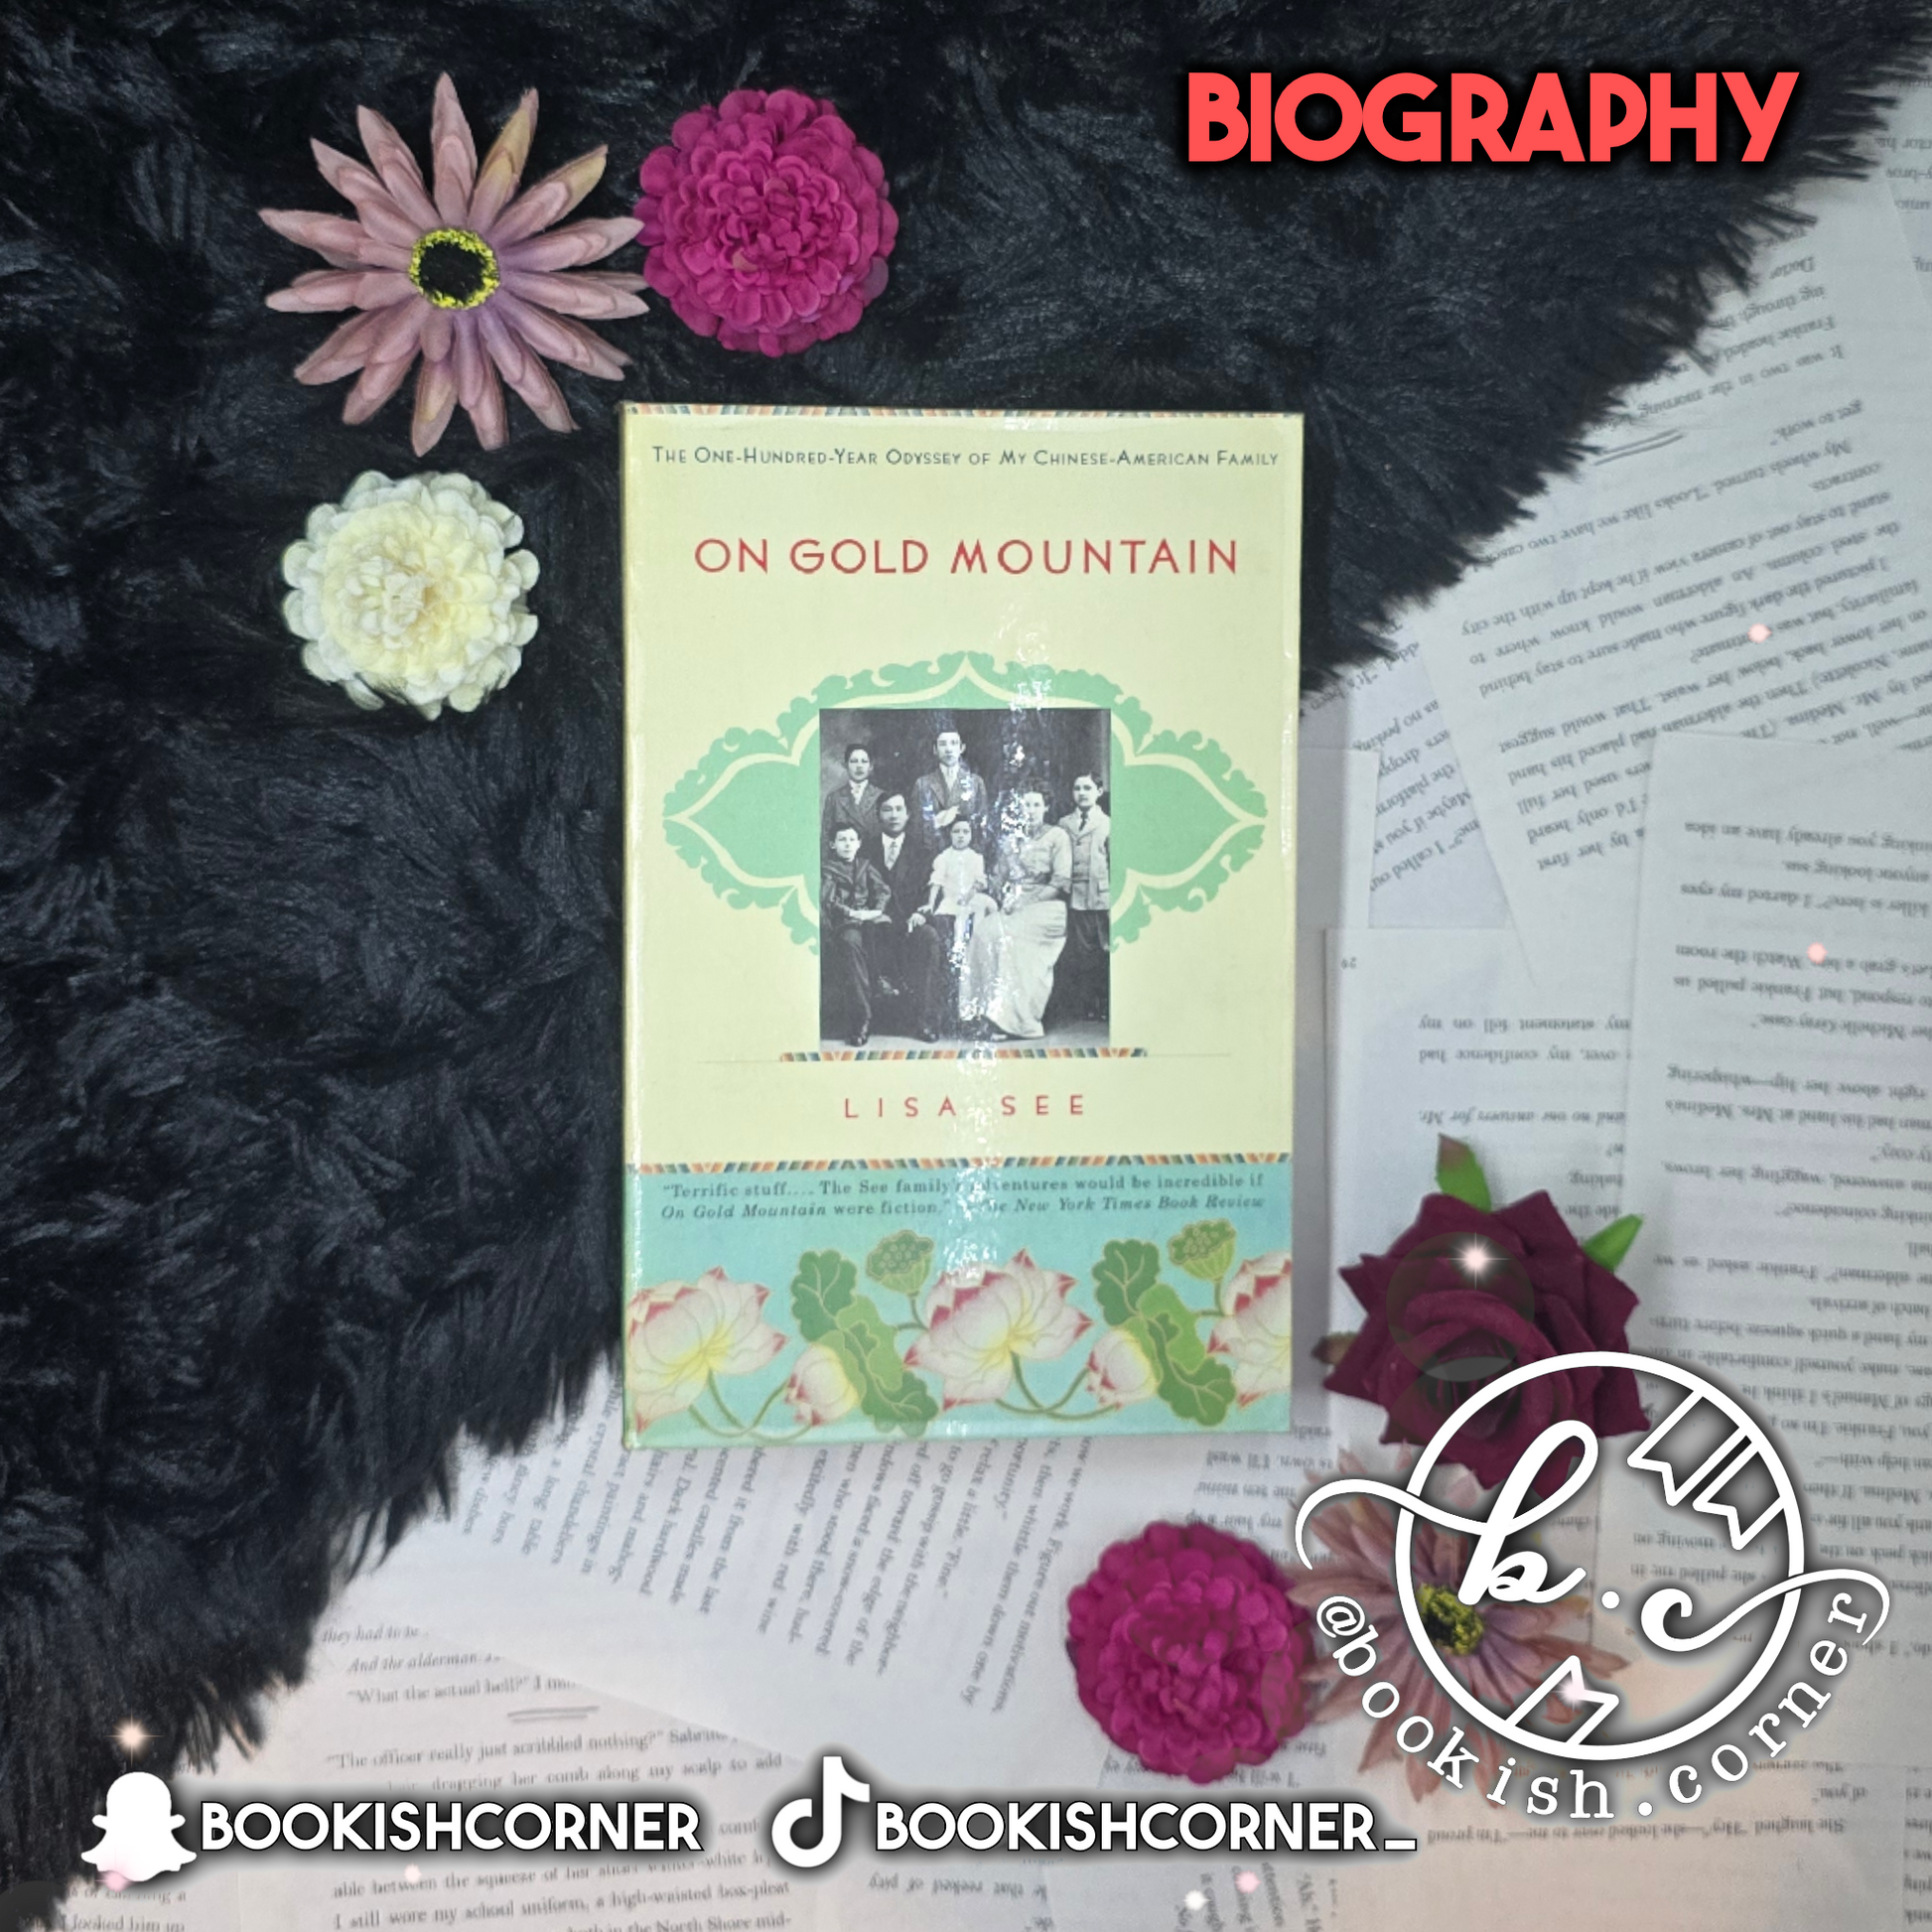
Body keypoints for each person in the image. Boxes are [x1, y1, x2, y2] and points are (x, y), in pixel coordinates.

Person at [958, 788, 1072, 1040]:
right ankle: (978, 1014)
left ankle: (1014, 1023)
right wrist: (980, 883)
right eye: (1025, 805)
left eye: (1035, 805)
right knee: (983, 933)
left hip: (1048, 907)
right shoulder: (1011, 840)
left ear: (1045, 807)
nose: (1030, 811)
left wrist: (1025, 902)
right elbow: (998, 878)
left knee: (1010, 939)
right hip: (1014, 907)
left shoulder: (1057, 836)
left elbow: (1060, 881)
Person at [870, 791, 946, 1041]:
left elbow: (931, 890)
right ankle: (867, 1021)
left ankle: (926, 1022)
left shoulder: (922, 851)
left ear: (908, 814)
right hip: (875, 921)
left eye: (898, 809)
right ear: (878, 815)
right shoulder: (865, 849)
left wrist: (922, 912)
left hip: (910, 921)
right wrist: (873, 914)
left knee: (930, 938)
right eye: (887, 809)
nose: (893, 815)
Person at [821, 824, 892, 1046]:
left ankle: (885, 982)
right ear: (832, 844)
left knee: (889, 931)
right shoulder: (828, 869)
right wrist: (850, 912)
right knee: (850, 942)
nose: (847, 844)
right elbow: (828, 900)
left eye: (852, 840)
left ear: (859, 843)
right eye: (842, 840)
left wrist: (877, 910)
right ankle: (862, 1018)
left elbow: (882, 890)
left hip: (869, 918)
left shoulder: (865, 866)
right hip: (845, 922)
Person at [1054, 770, 1111, 1023]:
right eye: (1077, 788)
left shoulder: (1108, 823)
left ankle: (1104, 1003)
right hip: (1073, 896)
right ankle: (1085, 1004)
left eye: (1087, 788)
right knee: (1080, 951)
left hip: (1100, 896)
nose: (1082, 793)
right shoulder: (1063, 824)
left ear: (1099, 791)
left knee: (1103, 948)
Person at [913, 726, 989, 851]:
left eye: (954, 743)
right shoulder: (923, 784)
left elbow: (982, 826)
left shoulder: (975, 782)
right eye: (942, 744)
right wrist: (937, 821)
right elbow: (916, 828)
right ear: (935, 750)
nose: (948, 749)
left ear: (962, 748)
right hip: (931, 854)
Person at [822, 743, 885, 848]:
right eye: (854, 761)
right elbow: (825, 838)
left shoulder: (880, 796)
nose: (859, 766)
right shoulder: (834, 798)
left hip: (874, 857)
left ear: (871, 766)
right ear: (846, 765)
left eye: (864, 761)